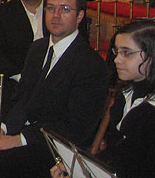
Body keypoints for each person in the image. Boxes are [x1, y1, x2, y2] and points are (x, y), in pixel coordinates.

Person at [0, 0, 108, 178]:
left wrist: (17, 139)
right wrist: (2, 130)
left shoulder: (91, 65)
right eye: (50, 8)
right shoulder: (38, 49)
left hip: (60, 147)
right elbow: (21, 99)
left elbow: (74, 127)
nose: (55, 16)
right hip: (28, 132)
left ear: (79, 16)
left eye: (64, 9)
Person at [50, 19, 155, 178]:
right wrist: (77, 165)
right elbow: (118, 153)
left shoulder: (150, 112)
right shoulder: (125, 96)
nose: (117, 60)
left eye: (126, 53)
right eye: (117, 51)